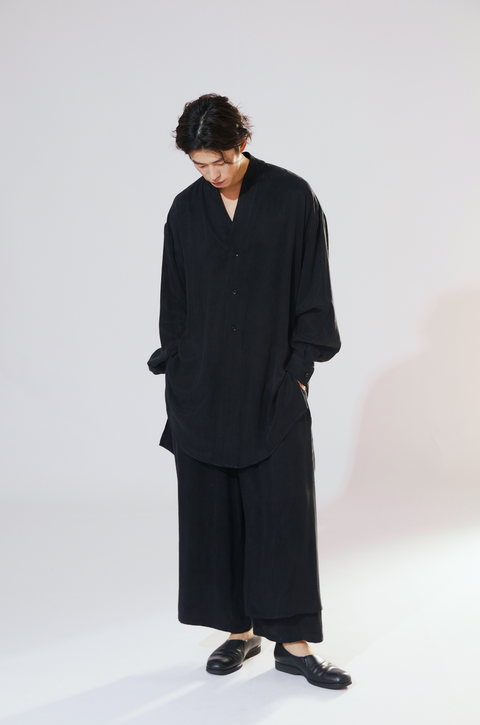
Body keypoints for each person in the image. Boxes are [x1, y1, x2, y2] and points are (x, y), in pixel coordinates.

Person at [148, 94, 351, 689]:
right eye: (199, 165)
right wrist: (178, 370)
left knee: (283, 513)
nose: (212, 174)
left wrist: (299, 371)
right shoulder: (186, 211)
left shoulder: (291, 197)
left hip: (272, 385)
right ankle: (239, 632)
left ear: (243, 143)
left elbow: (314, 290)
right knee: (214, 516)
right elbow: (174, 303)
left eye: (220, 161)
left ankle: (292, 643)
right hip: (203, 388)